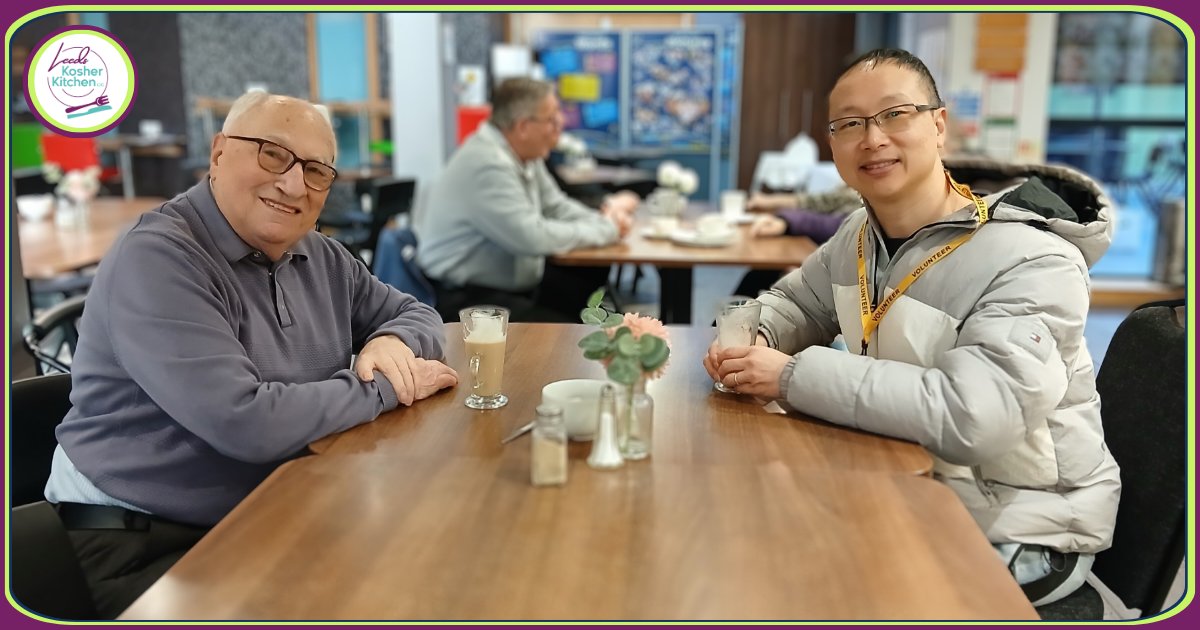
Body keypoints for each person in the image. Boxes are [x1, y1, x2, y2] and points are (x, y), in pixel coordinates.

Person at [704, 49, 1120, 607]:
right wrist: (753, 337)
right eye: (849, 124)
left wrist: (790, 375)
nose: (872, 138)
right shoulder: (859, 232)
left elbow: (973, 418)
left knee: (786, 587)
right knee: (735, 529)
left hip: (1019, 528)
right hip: (906, 481)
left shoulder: (1034, 258)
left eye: (896, 114)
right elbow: (797, 304)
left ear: (939, 124)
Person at [45, 91, 458, 618]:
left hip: (269, 510)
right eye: (271, 153)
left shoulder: (322, 254)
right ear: (218, 153)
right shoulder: (160, 257)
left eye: (316, 170)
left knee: (426, 566)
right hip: (138, 538)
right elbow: (245, 422)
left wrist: (389, 342)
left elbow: (420, 314)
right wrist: (384, 387)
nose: (292, 183)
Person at [416, 77, 639, 323]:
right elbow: (533, 237)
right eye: (552, 119)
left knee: (586, 283)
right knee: (572, 335)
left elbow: (556, 205)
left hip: (510, 283)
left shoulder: (523, 153)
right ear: (523, 126)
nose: (560, 125)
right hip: (469, 300)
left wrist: (603, 219)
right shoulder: (488, 163)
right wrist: (607, 228)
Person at [732, 186, 861, 297]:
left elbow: (840, 223)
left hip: (850, 279)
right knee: (760, 274)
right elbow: (824, 203)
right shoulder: (853, 187)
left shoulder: (867, 194)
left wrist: (788, 221)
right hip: (832, 263)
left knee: (769, 277)